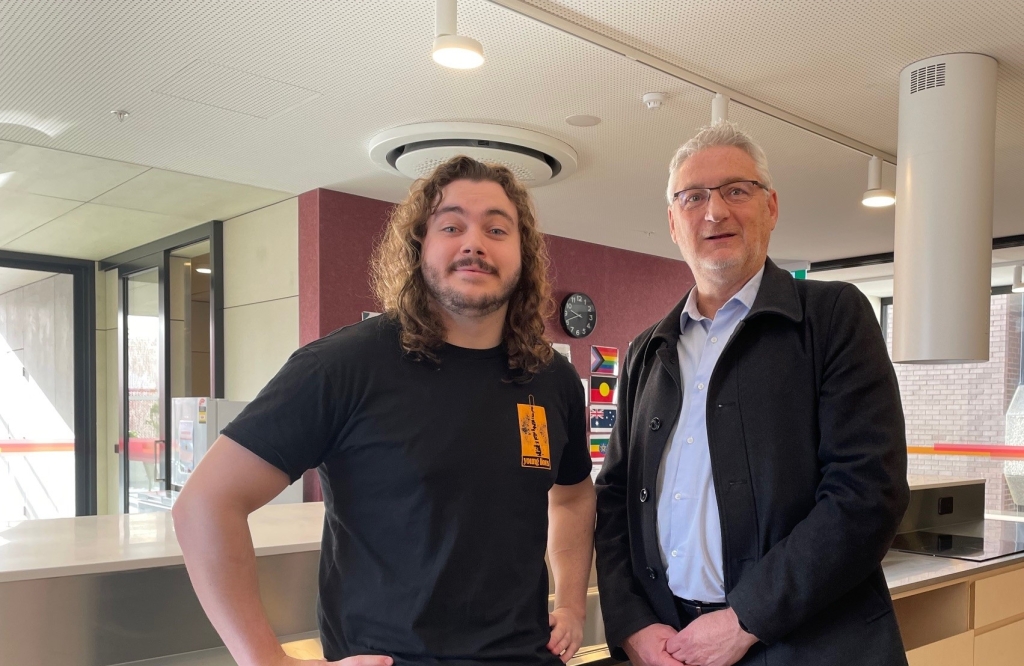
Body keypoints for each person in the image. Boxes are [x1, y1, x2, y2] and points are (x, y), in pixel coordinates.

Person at [173, 155, 596, 666]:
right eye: (451, 225)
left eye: (497, 229)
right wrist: (267, 662)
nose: (474, 243)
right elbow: (205, 504)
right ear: (420, 247)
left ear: (522, 255)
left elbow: (571, 497)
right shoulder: (343, 365)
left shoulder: (551, 376)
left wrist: (572, 604)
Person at [594, 122, 910, 666]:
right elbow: (615, 496)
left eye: (736, 191)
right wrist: (631, 624)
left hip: (809, 645)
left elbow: (865, 494)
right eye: (693, 197)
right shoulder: (647, 350)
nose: (714, 212)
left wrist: (746, 619)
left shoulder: (832, 318)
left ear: (771, 207)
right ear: (673, 222)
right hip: (672, 647)